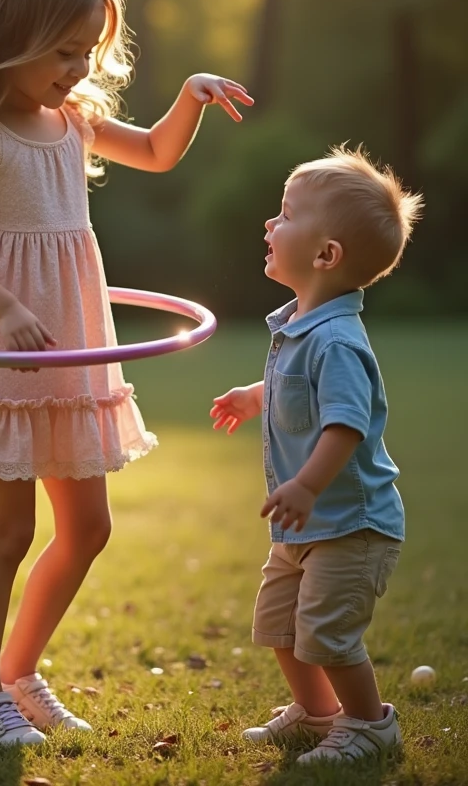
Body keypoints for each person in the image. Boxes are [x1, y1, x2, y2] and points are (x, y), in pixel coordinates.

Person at [0, 0, 254, 747]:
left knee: (89, 529)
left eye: (87, 51)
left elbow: (157, 151)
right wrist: (8, 307)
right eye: (62, 51)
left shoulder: (76, 121)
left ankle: (17, 675)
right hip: (6, 343)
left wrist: (189, 94)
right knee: (9, 531)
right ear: (5, 39)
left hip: (73, 346)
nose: (78, 68)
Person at [210, 146, 423, 764]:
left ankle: (368, 723)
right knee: (280, 624)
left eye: (285, 215)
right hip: (305, 523)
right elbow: (294, 388)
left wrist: (304, 485)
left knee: (327, 636)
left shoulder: (337, 340)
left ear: (326, 255)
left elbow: (345, 424)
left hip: (349, 524)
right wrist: (256, 396)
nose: (270, 226)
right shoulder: (301, 326)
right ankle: (317, 714)